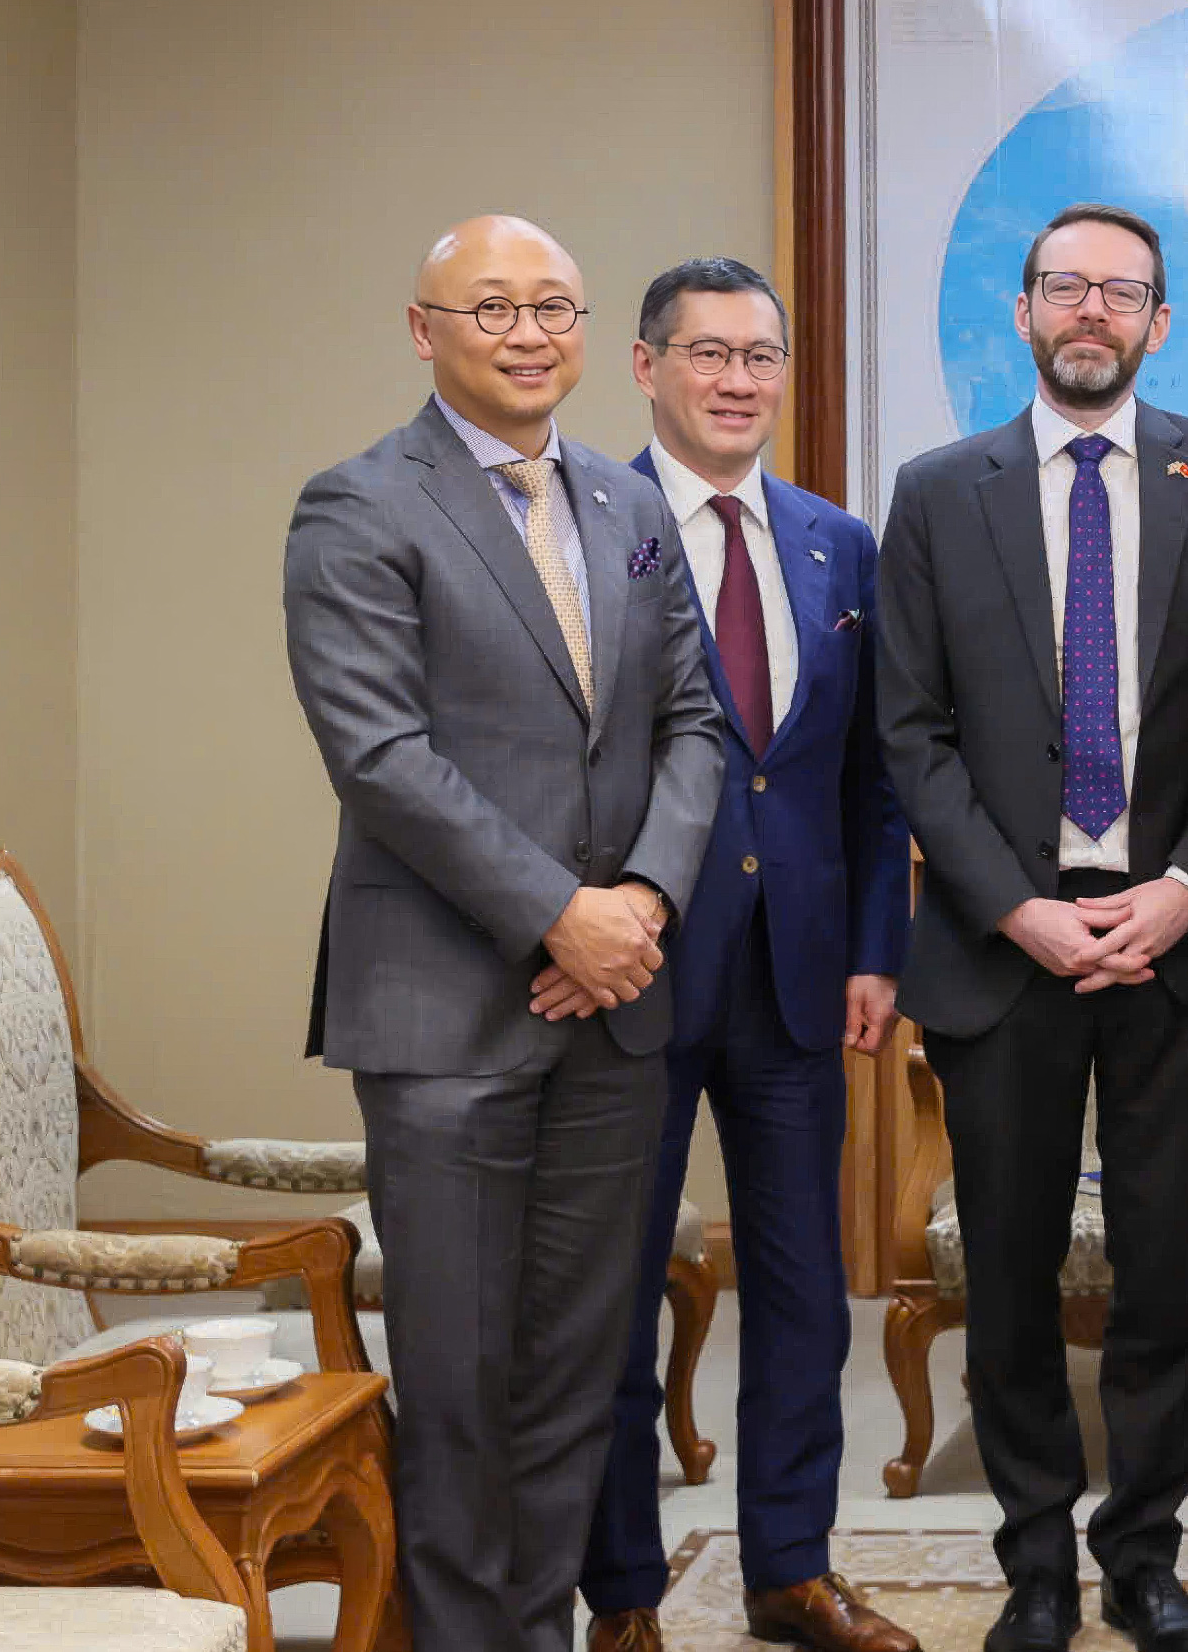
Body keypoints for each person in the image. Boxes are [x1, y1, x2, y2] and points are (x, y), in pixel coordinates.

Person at [280, 215, 725, 1652]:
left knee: (576, 1373)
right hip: (446, 1013)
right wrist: (558, 913)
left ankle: (536, 1631)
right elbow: (383, 756)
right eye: (491, 308)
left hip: (617, 1002)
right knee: (464, 1380)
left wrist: (641, 904)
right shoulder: (357, 506)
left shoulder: (631, 507)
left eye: (554, 307)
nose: (529, 334)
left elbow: (696, 725)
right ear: (425, 332)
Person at [876, 204, 1188, 1652]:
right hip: (1005, 953)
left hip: (1179, 948)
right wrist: (1018, 907)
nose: (1090, 312)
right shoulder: (935, 491)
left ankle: (1143, 1558)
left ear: (1159, 323)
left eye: (1121, 292)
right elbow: (910, 733)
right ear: (1025, 312)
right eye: (1066, 287)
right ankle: (1035, 1561)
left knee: (1162, 1275)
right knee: (1009, 1274)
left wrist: (1182, 891)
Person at [581, 259, 917, 1652]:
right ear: (646, 368)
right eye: (707, 353)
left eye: (760, 357)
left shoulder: (837, 543)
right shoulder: (586, 527)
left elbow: (868, 772)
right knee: (614, 1300)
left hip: (800, 980)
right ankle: (623, 1594)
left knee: (803, 1296)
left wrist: (874, 949)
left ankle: (791, 1568)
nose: (736, 381)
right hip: (629, 972)